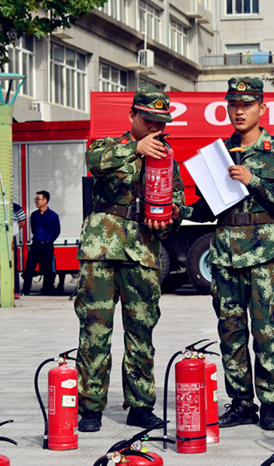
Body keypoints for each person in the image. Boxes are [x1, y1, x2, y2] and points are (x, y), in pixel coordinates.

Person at [180, 77, 274, 430]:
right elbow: (207, 208)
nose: (239, 111)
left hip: (264, 254)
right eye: (233, 104)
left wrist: (254, 180)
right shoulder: (218, 153)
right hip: (224, 254)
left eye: (246, 104)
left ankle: (270, 404)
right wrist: (175, 211)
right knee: (230, 331)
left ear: (262, 108)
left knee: (267, 330)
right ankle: (241, 403)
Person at [75, 87, 184, 433]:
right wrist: (135, 149)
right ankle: (90, 408)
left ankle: (140, 406)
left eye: (160, 123)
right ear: (132, 116)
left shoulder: (167, 158)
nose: (155, 128)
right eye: (148, 120)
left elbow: (177, 205)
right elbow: (93, 161)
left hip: (142, 251)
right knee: (95, 328)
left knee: (141, 330)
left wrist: (170, 215)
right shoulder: (109, 145)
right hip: (101, 249)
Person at [21, 191, 60, 295]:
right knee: (29, 268)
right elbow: (33, 229)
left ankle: (46, 290)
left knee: (47, 269)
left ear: (45, 200)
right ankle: (25, 290)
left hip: (47, 245)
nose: (36, 201)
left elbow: (57, 231)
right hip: (35, 244)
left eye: (38, 199)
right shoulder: (34, 215)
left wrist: (49, 240)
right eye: (36, 199)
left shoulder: (53, 215)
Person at [0, 200, 26, 299]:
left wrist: (12, 231)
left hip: (10, 240)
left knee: (13, 265)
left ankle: (15, 291)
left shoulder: (16, 207)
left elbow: (22, 222)